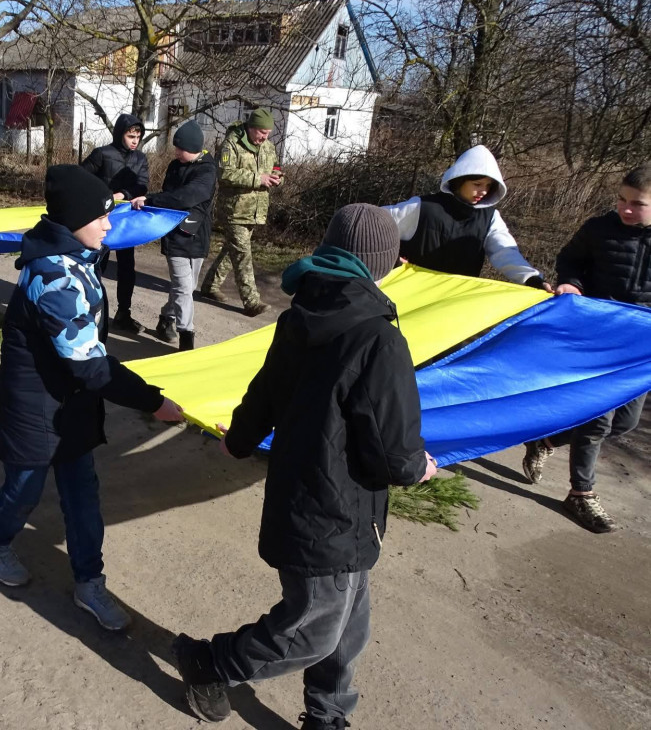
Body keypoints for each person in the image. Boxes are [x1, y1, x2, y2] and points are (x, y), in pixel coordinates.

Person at [171, 203, 435, 727]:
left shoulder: (300, 314)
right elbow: (392, 449)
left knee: (348, 619)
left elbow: (265, 391)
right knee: (314, 626)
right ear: (385, 262)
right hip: (335, 508)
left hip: (320, 499)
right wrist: (417, 468)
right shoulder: (379, 338)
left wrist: (240, 440)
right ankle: (213, 661)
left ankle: (327, 712)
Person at [0, 164, 183, 630]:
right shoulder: (53, 278)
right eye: (101, 216)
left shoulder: (75, 255)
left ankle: (90, 582)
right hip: (35, 407)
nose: (109, 225)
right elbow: (90, 364)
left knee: (82, 498)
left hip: (71, 405)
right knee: (24, 490)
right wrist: (152, 401)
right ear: (73, 221)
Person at [521, 164, 651, 533]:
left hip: (640, 349)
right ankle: (581, 493)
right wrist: (571, 283)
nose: (625, 209)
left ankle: (547, 438)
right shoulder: (599, 229)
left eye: (637, 204)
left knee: (624, 422)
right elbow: (571, 261)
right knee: (598, 419)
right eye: (621, 200)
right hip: (597, 339)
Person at [382, 145, 550, 288]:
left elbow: (505, 252)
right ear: (459, 180)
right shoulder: (422, 208)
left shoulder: (490, 218)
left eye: (488, 186)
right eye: (477, 184)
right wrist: (390, 259)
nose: (483, 191)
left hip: (454, 303)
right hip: (409, 294)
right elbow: (369, 225)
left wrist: (532, 279)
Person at [130, 120, 217, 350]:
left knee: (187, 288)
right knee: (182, 287)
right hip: (175, 236)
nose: (176, 152)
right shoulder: (174, 166)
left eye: (181, 149)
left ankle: (166, 317)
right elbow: (171, 195)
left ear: (194, 148)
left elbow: (185, 197)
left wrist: (150, 200)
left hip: (197, 236)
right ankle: (186, 338)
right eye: (176, 148)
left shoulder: (207, 170)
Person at [199, 107, 282, 317]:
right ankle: (251, 301)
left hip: (256, 210)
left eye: (268, 133)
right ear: (251, 128)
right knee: (243, 254)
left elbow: (277, 168)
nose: (265, 137)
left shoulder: (269, 147)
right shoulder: (231, 145)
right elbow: (225, 174)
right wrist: (258, 179)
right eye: (262, 132)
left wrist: (278, 178)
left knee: (232, 250)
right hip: (233, 210)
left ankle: (210, 286)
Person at [81, 113, 149, 333]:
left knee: (127, 269)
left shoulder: (141, 159)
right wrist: (104, 195)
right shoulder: (102, 154)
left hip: (127, 222)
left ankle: (123, 313)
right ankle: (89, 308)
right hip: (100, 219)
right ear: (121, 134)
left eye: (138, 136)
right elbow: (81, 178)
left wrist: (124, 194)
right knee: (96, 264)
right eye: (131, 135)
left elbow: (142, 187)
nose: (135, 140)